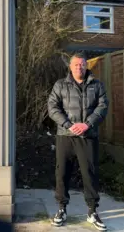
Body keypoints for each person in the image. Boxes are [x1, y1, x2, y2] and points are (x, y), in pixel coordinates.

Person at [47, 53, 109, 231]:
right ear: (70, 66)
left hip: (88, 137)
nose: (78, 67)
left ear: (86, 65)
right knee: (62, 173)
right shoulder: (60, 85)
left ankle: (92, 212)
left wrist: (87, 124)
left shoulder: (97, 85)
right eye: (75, 65)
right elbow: (52, 107)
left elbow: (103, 106)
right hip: (65, 136)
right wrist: (68, 124)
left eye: (81, 65)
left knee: (89, 174)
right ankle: (61, 209)